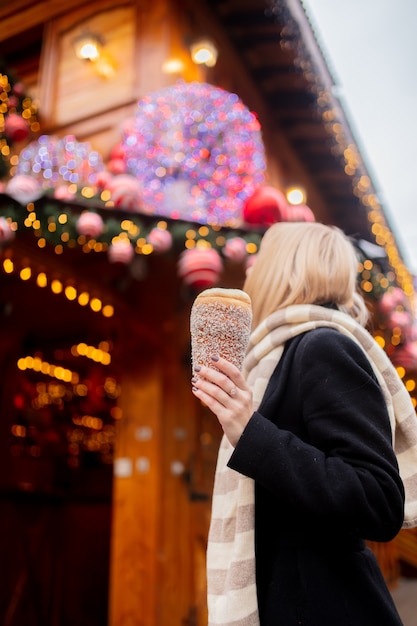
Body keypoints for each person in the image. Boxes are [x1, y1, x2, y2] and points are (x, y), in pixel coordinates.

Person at [191, 221, 417, 626]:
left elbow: (379, 501)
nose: (249, 270)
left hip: (323, 605)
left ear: (286, 269)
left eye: (260, 259)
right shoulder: (274, 357)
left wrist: (253, 434)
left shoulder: (323, 347)